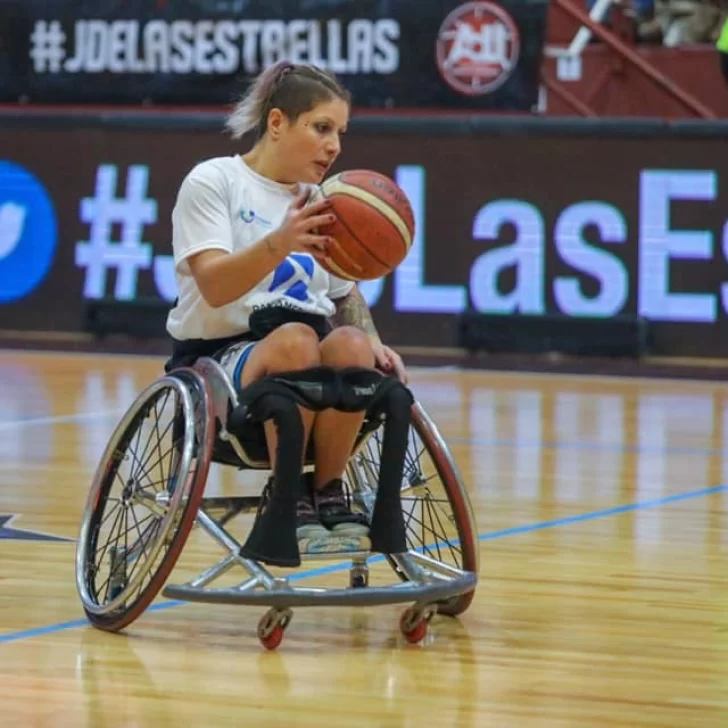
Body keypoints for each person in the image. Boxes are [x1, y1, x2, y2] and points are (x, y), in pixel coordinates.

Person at [164, 60, 407, 546]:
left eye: (340, 131)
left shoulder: (327, 200)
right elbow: (212, 284)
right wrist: (281, 242)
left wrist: (378, 344)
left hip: (308, 365)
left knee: (352, 346)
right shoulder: (214, 181)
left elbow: (345, 292)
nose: (334, 145)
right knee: (297, 341)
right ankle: (287, 497)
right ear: (277, 123)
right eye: (321, 128)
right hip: (220, 361)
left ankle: (327, 492)